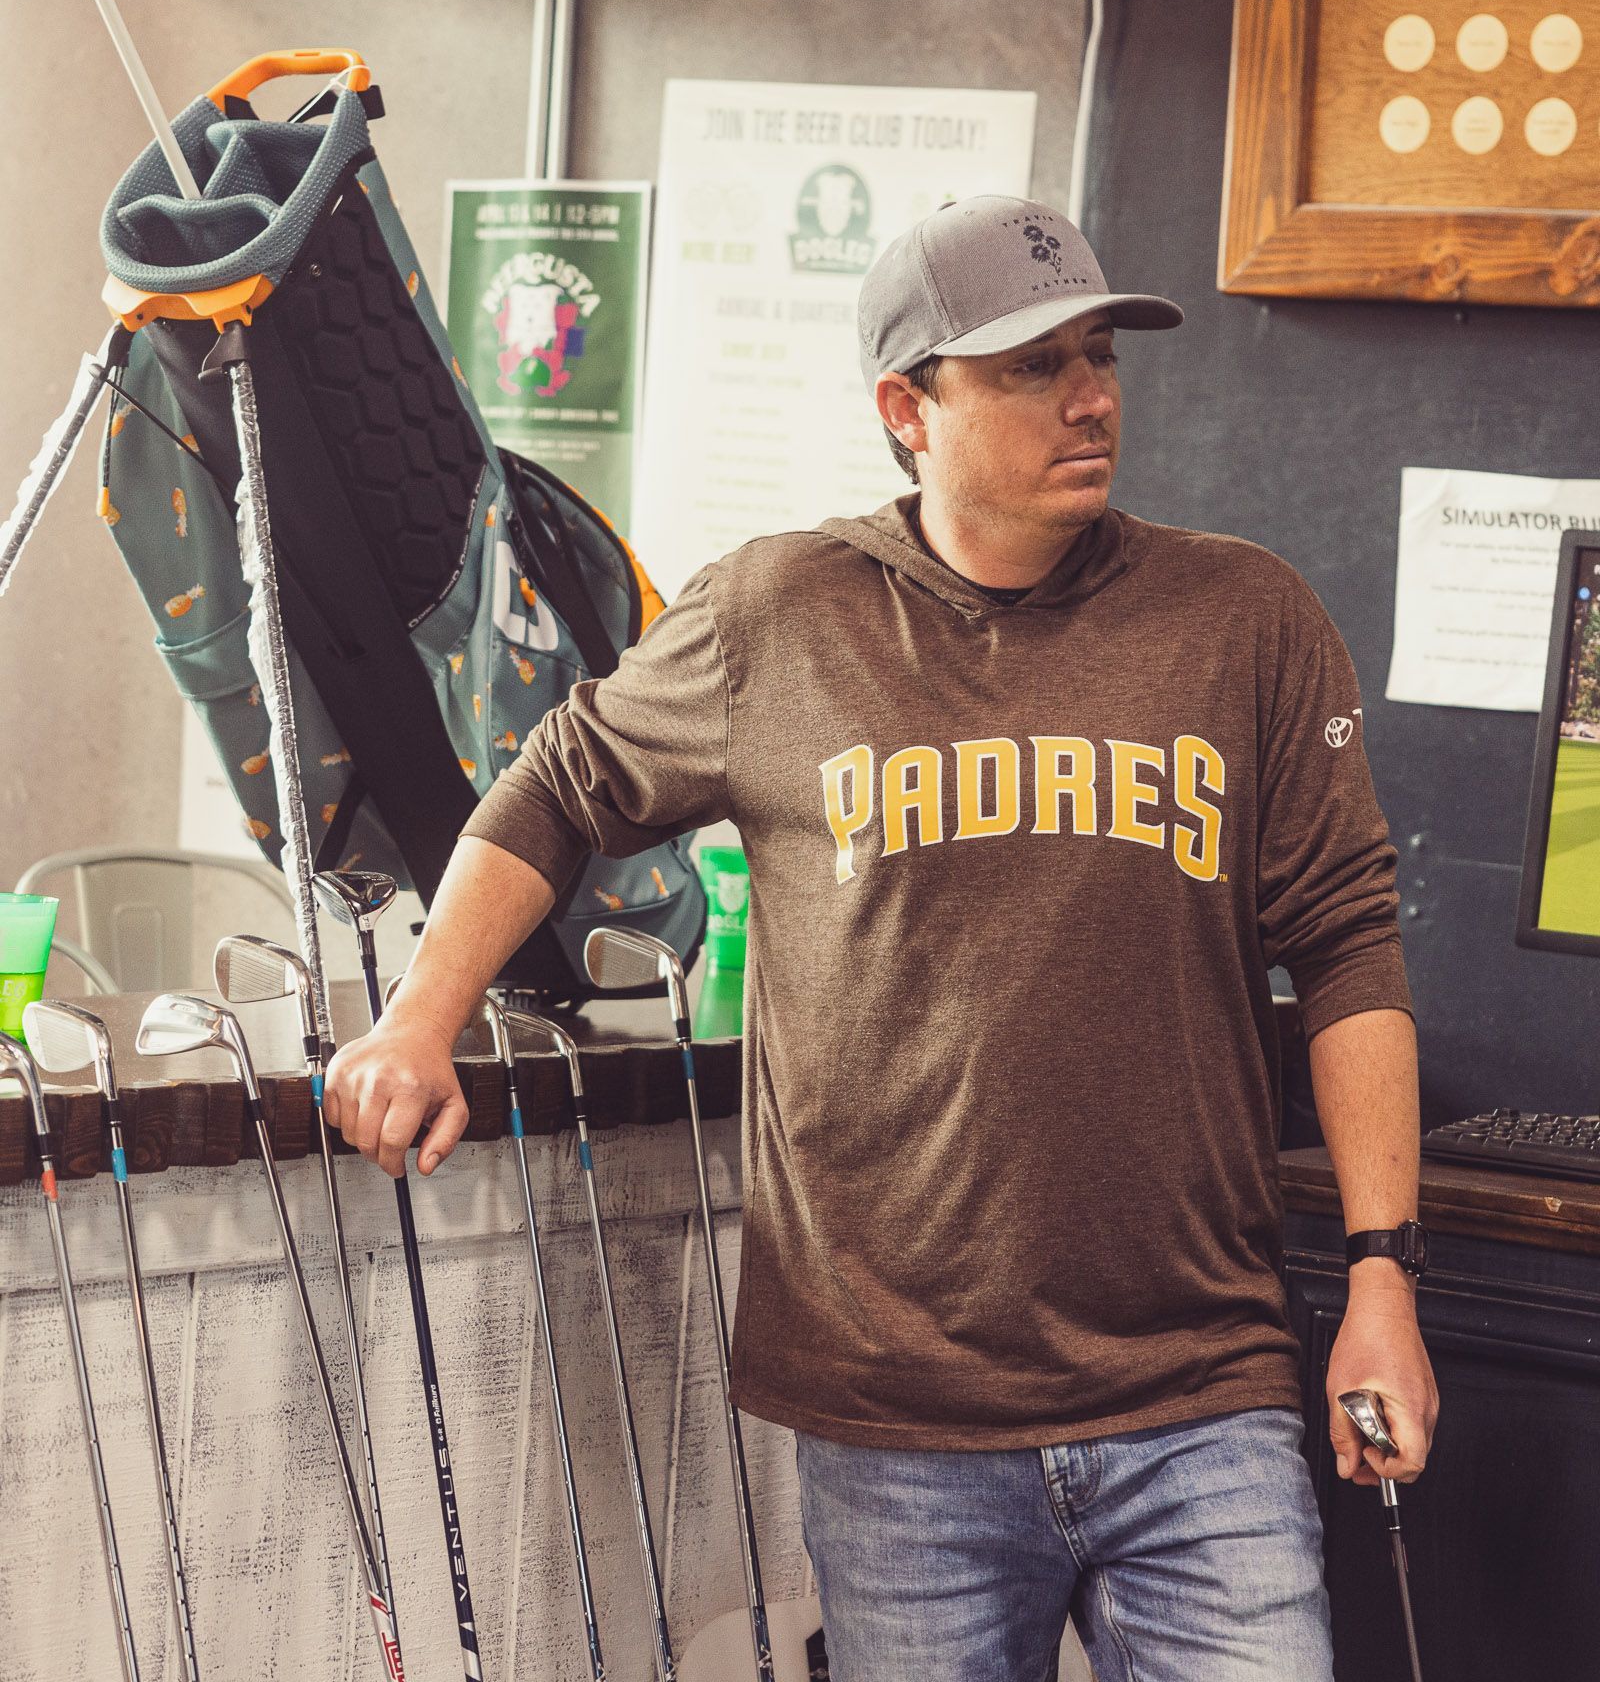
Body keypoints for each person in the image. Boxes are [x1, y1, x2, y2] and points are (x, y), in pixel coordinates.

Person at [323, 194, 1438, 1681]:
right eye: (1032, 367)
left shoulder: (1243, 618)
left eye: (1099, 356)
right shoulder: (779, 614)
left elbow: (1350, 942)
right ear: (908, 410)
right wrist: (419, 1018)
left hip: (1200, 1396)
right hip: (897, 1421)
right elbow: (555, 789)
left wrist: (1383, 1280)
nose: (1090, 397)